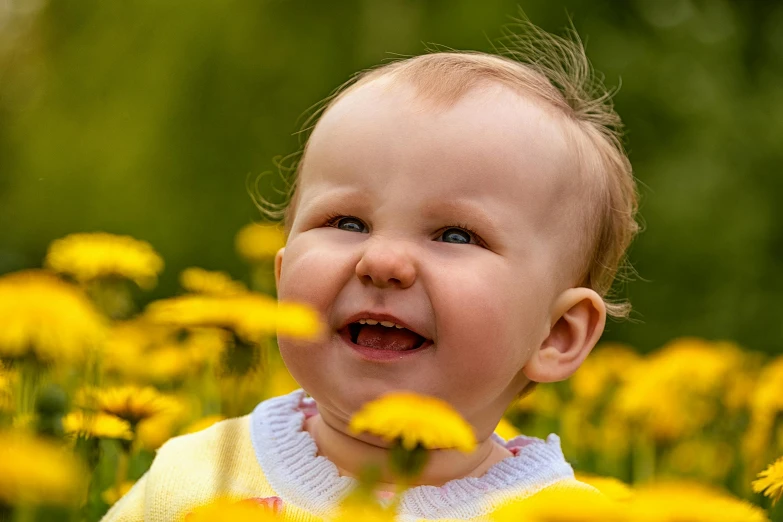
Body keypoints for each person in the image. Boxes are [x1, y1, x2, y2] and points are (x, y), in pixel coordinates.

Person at [102, 15, 639, 522]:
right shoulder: (196, 474)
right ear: (282, 275)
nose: (381, 261)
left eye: (455, 235)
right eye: (347, 222)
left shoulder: (560, 514)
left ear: (558, 335)